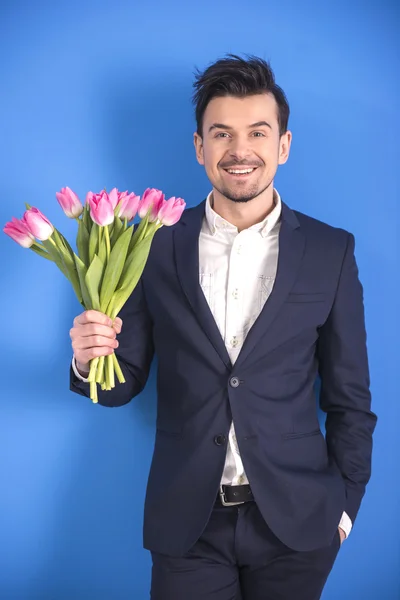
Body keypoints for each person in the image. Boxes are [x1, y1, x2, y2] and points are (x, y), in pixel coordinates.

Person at [69, 54, 377, 600]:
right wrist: (88, 358)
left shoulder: (332, 251)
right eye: (222, 134)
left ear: (282, 145)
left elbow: (350, 400)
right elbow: (122, 386)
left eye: (258, 132)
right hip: (189, 525)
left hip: (299, 525)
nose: (240, 150)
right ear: (200, 147)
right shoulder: (152, 244)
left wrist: (344, 509)